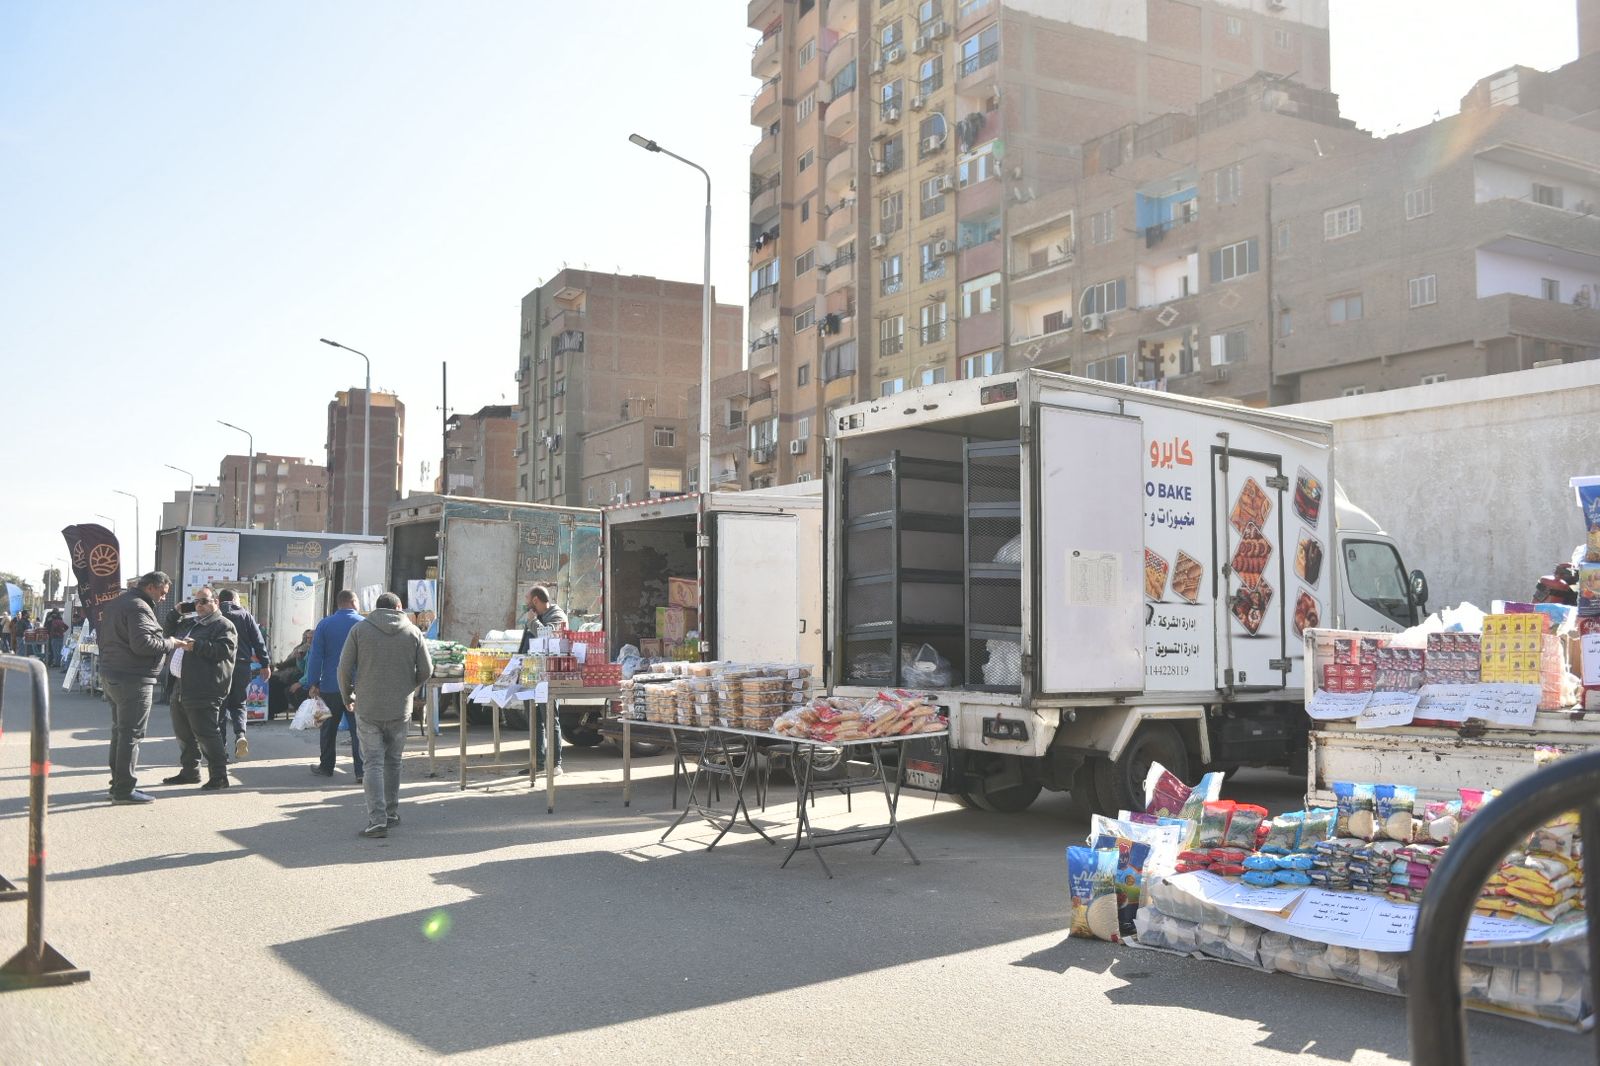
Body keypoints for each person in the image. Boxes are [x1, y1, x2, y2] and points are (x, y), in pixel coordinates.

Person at [338, 592, 432, 838]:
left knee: (372, 763)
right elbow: (427, 669)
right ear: (399, 607)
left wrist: (347, 696)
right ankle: (391, 813)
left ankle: (377, 820)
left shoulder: (360, 630)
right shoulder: (413, 632)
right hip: (400, 708)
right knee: (393, 761)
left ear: (376, 608)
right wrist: (409, 686)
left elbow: (344, 668)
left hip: (368, 707)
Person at [98, 572, 183, 804]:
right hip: (133, 678)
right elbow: (143, 644)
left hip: (114, 673)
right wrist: (171, 643)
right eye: (162, 593)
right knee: (131, 734)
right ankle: (124, 790)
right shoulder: (138, 607)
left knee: (121, 732)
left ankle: (118, 785)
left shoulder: (118, 603)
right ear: (151, 587)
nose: (163, 598)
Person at [162, 587, 235, 790]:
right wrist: (176, 612)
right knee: (184, 733)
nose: (199, 606)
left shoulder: (223, 625)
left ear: (216, 602)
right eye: (196, 602)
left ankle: (219, 776)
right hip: (181, 685)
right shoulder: (191, 622)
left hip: (204, 687)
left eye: (204, 601)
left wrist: (197, 646)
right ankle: (190, 772)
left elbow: (225, 650)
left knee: (206, 734)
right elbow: (168, 633)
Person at [304, 590, 365, 782]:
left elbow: (315, 656)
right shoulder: (364, 624)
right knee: (359, 730)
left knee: (327, 728)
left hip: (329, 685)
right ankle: (361, 771)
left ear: (339, 603)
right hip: (358, 687)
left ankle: (326, 766)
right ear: (354, 602)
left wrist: (313, 682)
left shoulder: (324, 624)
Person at [518, 585, 569, 774]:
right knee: (534, 720)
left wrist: (533, 621)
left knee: (549, 719)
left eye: (527, 600)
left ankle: (555, 764)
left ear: (535, 601)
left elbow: (548, 637)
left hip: (548, 677)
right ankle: (537, 763)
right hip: (530, 674)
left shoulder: (557, 615)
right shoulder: (535, 616)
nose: (525, 604)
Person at [216, 589, 269, 760]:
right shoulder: (245, 615)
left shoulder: (215, 615)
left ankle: (221, 750)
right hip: (242, 666)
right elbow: (258, 641)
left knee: (220, 707)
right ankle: (240, 735)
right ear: (235, 599)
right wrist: (265, 664)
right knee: (239, 704)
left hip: (219, 667)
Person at [267, 628, 314, 719]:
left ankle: (303, 714)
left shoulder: (313, 650)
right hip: (296, 675)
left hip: (301, 677)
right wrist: (299, 659)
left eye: (311, 638)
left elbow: (311, 671)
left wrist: (300, 682)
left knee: (287, 689)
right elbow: (303, 667)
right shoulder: (305, 648)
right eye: (307, 637)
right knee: (273, 682)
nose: (308, 640)